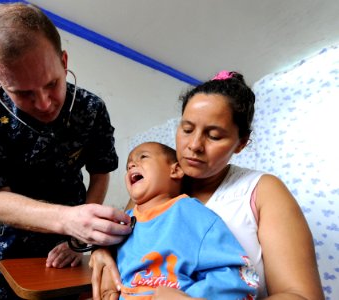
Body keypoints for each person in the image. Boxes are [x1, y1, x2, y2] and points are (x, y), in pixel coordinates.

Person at [89, 71, 324, 299]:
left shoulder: (262, 191)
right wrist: (102, 254)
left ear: (241, 143)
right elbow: (126, 242)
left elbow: (303, 296)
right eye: (187, 129)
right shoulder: (155, 187)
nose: (194, 145)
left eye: (214, 135)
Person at [0, 3, 132, 299]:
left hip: (62, 254)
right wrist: (69, 220)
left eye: (52, 84)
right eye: (23, 93)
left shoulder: (91, 108)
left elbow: (100, 173)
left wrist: (76, 239)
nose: (45, 103)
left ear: (64, 62)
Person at [116, 141, 258, 299]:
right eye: (128, 165)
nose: (131, 165)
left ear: (175, 170)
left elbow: (237, 277)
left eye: (143, 157)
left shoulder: (191, 214)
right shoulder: (123, 222)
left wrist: (189, 297)